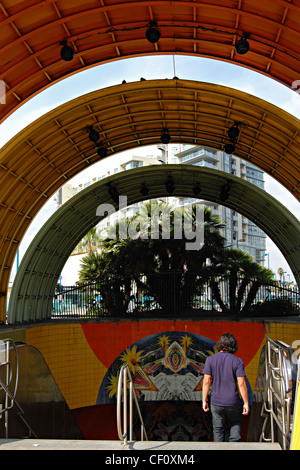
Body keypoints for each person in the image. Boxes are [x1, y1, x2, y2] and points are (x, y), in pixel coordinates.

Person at [202, 333, 249, 442]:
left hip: (216, 401)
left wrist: (204, 400)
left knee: (218, 430)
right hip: (233, 402)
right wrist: (246, 402)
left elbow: (206, 381)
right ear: (233, 346)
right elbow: (241, 383)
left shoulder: (210, 360)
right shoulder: (238, 361)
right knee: (235, 424)